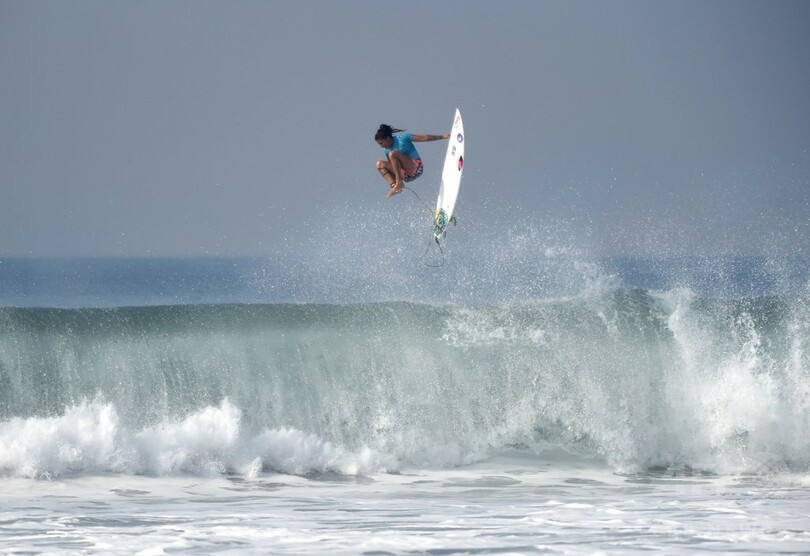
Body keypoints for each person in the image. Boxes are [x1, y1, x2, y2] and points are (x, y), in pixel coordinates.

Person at [375, 124, 450, 199]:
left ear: (388, 138)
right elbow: (394, 168)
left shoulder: (403, 138)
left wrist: (442, 137)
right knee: (380, 164)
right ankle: (395, 186)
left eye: (381, 143)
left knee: (393, 154)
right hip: (406, 176)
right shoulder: (387, 151)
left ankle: (399, 183)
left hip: (416, 167)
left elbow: (424, 138)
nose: (381, 146)